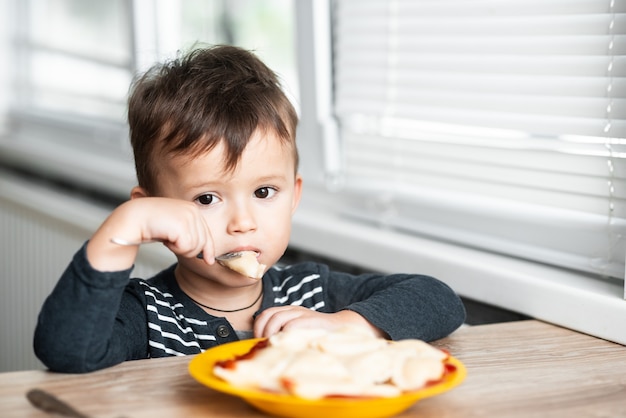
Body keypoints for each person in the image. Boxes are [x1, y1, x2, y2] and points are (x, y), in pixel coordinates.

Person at [34, 45, 466, 373]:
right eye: (207, 199)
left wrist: (349, 324)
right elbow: (67, 351)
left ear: (294, 195)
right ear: (156, 214)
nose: (243, 223)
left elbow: (439, 299)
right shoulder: (148, 314)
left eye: (264, 193)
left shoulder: (313, 294)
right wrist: (119, 233)